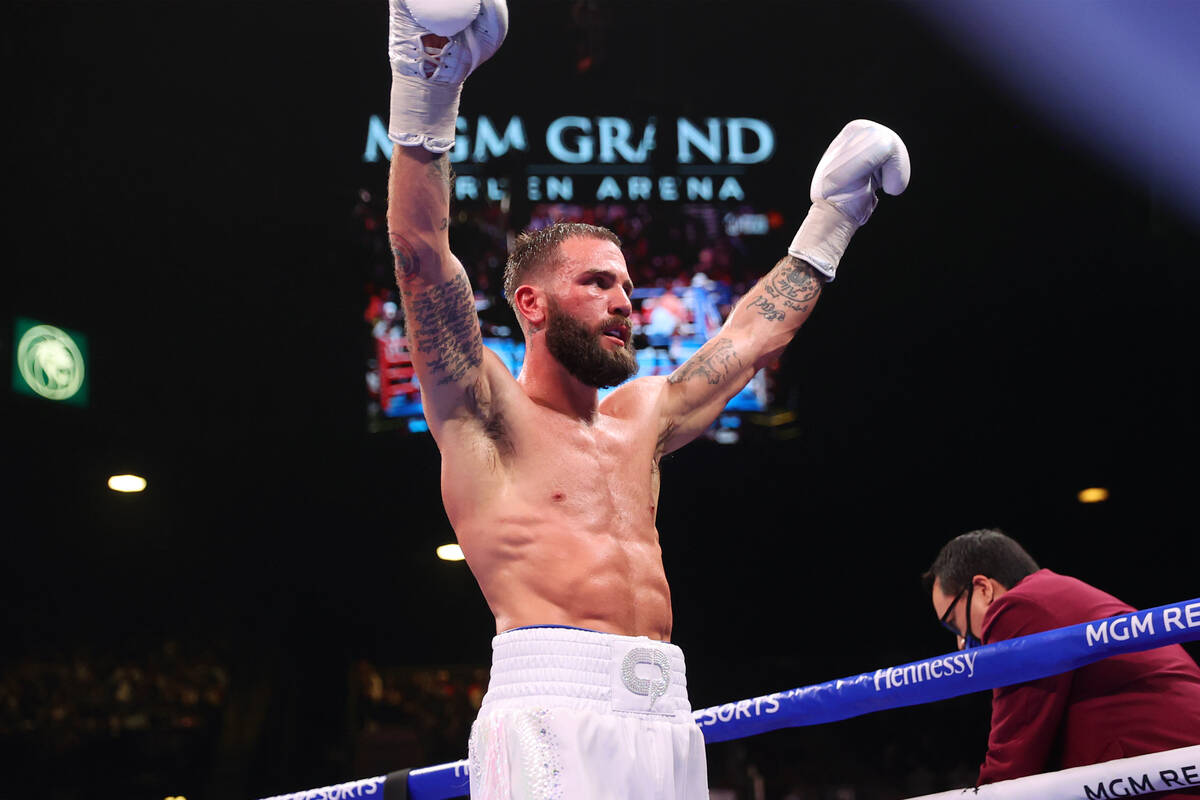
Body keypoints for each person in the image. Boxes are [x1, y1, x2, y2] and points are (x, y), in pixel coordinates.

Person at [385, 1, 909, 796]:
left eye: (627, 286)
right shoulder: (483, 412)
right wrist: (427, 85)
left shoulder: (644, 417)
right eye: (597, 283)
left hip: (666, 707)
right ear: (531, 304)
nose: (624, 302)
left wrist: (834, 217)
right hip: (550, 705)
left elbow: (750, 339)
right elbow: (421, 255)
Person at [923, 528, 1200, 794]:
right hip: (1170, 765)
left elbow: (1015, 752)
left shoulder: (1018, 607)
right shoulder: (1051, 594)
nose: (961, 643)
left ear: (983, 589)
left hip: (1169, 774)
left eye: (954, 624)